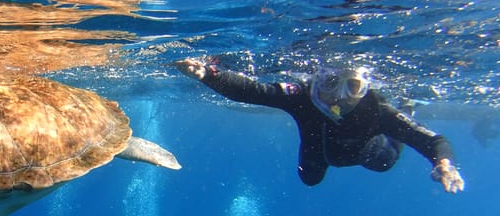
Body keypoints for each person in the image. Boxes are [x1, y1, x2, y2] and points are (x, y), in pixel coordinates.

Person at [175, 57, 465, 193]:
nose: (340, 95)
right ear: (317, 78)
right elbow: (252, 91)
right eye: (330, 82)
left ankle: (409, 105)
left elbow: (430, 140)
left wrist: (445, 164)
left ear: (364, 87)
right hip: (320, 151)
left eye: (352, 86)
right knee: (309, 180)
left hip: (370, 152)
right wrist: (208, 75)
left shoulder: (378, 109)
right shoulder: (300, 96)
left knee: (385, 162)